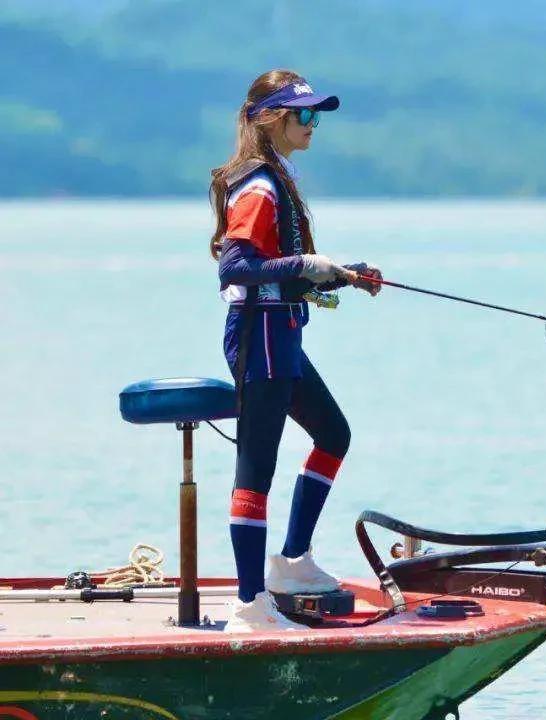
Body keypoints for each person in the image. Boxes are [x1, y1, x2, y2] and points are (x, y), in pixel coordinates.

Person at [209, 69, 382, 632]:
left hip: (279, 331)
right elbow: (235, 268)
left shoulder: (276, 177)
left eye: (317, 115)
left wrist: (344, 275)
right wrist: (307, 265)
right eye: (304, 114)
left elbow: (278, 270)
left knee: (334, 434)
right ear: (272, 118)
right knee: (255, 469)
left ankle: (291, 562)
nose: (314, 124)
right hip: (259, 334)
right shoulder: (259, 187)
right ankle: (249, 604)